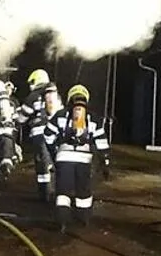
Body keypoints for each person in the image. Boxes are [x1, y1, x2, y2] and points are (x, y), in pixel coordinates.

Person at [44, 85, 110, 231]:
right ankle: (83, 219)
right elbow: (102, 142)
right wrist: (105, 162)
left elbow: (48, 134)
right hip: (84, 159)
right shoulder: (94, 119)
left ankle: (62, 221)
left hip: (63, 157)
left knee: (63, 190)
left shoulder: (60, 115)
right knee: (83, 191)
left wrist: (54, 151)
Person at [18, 69, 62, 202]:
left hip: (40, 135)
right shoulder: (56, 96)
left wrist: (15, 117)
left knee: (42, 164)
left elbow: (22, 117)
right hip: (56, 134)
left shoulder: (34, 95)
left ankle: (45, 194)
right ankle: (58, 192)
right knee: (54, 162)